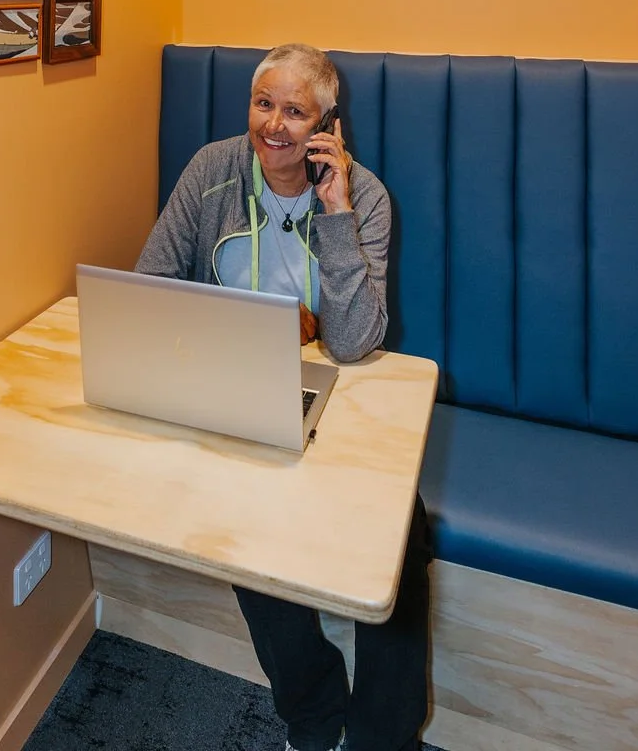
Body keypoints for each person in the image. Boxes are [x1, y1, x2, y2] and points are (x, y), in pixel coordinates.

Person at [135, 42, 432, 751]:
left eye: (296, 112)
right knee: (245, 515)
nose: (274, 125)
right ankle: (312, 714)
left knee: (401, 530)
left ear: (328, 125)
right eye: (263, 103)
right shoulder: (212, 170)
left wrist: (333, 212)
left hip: (338, 394)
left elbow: (358, 341)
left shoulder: (364, 198)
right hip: (231, 387)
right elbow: (152, 283)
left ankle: (384, 737)